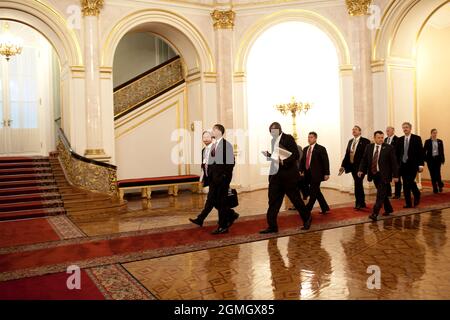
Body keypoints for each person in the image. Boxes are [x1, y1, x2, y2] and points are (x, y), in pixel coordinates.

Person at [260, 122, 312, 234]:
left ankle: (307, 218)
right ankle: (272, 226)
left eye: (273, 131)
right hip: (276, 177)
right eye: (270, 132)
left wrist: (283, 161)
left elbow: (296, 155)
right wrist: (270, 156)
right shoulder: (274, 141)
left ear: (279, 130)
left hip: (288, 176)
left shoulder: (288, 138)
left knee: (296, 200)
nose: (272, 134)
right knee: (273, 202)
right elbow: (277, 157)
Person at [358, 131, 399, 222]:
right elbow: (364, 159)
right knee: (383, 193)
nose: (381, 139)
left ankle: (375, 213)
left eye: (382, 137)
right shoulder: (369, 147)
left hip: (384, 175)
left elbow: (394, 163)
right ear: (374, 138)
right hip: (374, 174)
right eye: (379, 137)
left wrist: (396, 176)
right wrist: (361, 169)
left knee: (380, 194)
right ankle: (388, 209)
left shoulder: (389, 148)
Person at [207, 124, 239, 234]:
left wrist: (224, 176)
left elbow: (231, 163)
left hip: (222, 179)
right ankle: (231, 214)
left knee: (222, 202)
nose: (212, 132)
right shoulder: (214, 144)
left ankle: (223, 226)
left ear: (219, 131)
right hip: (213, 179)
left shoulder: (227, 145)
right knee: (214, 201)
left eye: (213, 130)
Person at [339, 125, 370, 210]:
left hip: (361, 167)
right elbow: (347, 154)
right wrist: (343, 166)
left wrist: (363, 168)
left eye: (356, 129)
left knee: (357, 184)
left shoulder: (365, 141)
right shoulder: (350, 141)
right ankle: (362, 202)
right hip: (352, 167)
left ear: (360, 132)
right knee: (358, 184)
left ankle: (358, 203)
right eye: (353, 129)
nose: (354, 130)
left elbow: (366, 156)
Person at [300, 132, 330, 214]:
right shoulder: (305, 149)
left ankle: (307, 209)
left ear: (315, 138)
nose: (309, 139)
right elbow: (302, 161)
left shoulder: (321, 148)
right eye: (308, 137)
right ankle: (325, 207)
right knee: (317, 191)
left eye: (311, 137)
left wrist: (327, 173)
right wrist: (301, 170)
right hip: (307, 174)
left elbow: (325, 162)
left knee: (313, 192)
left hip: (317, 174)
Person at [189, 131, 215, 227]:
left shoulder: (215, 149)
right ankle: (231, 214)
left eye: (207, 137)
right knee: (215, 201)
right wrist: (201, 178)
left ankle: (200, 219)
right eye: (204, 137)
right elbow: (203, 165)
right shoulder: (203, 150)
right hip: (209, 178)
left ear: (212, 138)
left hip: (216, 179)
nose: (205, 139)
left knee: (211, 200)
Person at [396, 122, 424, 208]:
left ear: (410, 128)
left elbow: (421, 152)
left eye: (406, 127)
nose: (405, 129)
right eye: (403, 127)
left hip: (413, 165)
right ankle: (408, 203)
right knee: (405, 183)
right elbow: (397, 154)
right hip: (403, 165)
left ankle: (416, 194)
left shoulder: (416, 138)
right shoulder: (400, 139)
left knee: (409, 182)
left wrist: (421, 164)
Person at [424, 129, 445, 193]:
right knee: (432, 174)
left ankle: (440, 186)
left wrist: (443, 159)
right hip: (430, 160)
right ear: (431, 133)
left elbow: (442, 151)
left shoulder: (440, 141)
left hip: (438, 160)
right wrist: (425, 159)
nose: (435, 134)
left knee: (438, 174)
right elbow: (424, 151)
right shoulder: (427, 141)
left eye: (436, 133)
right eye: (433, 133)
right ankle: (435, 188)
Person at [384, 126, 402, 199]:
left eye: (388, 130)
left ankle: (397, 194)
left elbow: (400, 152)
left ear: (393, 131)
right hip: (386, 163)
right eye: (386, 130)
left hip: (395, 163)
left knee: (397, 178)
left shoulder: (398, 140)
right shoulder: (385, 139)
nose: (387, 132)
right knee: (387, 178)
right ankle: (388, 193)